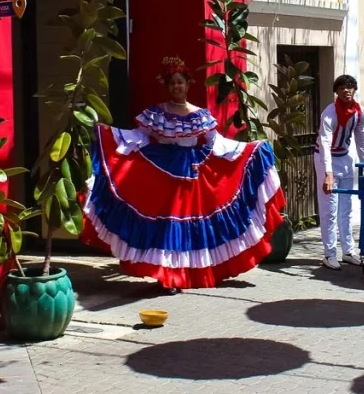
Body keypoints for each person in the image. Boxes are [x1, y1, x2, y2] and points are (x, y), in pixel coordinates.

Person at [81, 57, 286, 292]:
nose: (176, 87)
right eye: (172, 83)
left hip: (193, 172)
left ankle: (187, 273)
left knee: (189, 226)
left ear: (188, 84)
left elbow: (215, 143)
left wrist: (248, 149)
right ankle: (167, 276)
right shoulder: (156, 114)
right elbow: (140, 138)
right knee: (167, 227)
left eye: (180, 82)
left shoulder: (201, 115)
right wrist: (111, 135)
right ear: (167, 87)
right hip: (162, 173)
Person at [314, 74, 364, 270]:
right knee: (329, 209)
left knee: (346, 208)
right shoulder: (329, 114)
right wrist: (328, 173)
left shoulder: (359, 113)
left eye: (350, 87)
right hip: (325, 159)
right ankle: (329, 253)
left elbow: (362, 140)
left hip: (345, 158)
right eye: (343, 87)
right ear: (336, 91)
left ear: (354, 90)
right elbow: (326, 143)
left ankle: (348, 251)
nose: (347, 90)